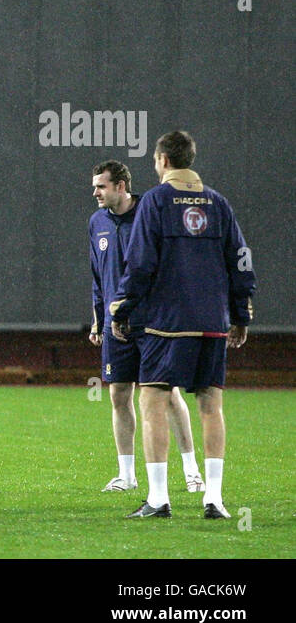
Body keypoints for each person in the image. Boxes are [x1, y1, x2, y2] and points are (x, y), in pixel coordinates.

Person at [111, 131, 256, 519]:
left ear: (161, 160)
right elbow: (240, 259)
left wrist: (123, 308)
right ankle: (215, 498)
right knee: (211, 403)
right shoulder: (218, 202)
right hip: (212, 321)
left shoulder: (156, 201)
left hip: (167, 322)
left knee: (153, 398)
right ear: (190, 159)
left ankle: (158, 499)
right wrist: (240, 313)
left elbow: (140, 262)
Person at [87, 160, 203, 493]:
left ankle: (192, 470)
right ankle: (126, 475)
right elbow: (98, 276)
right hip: (115, 326)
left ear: (121, 186)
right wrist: (99, 319)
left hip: (152, 323)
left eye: (101, 186)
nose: (95, 192)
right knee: (118, 395)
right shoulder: (97, 223)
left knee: (167, 395)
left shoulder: (148, 216)